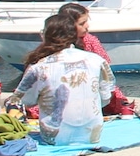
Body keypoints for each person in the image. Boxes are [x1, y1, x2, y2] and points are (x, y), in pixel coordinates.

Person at [10, 11, 115, 144]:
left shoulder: (40, 67)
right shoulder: (96, 60)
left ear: (46, 36)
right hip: (93, 134)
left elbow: (24, 100)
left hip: (55, 137)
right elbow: (106, 96)